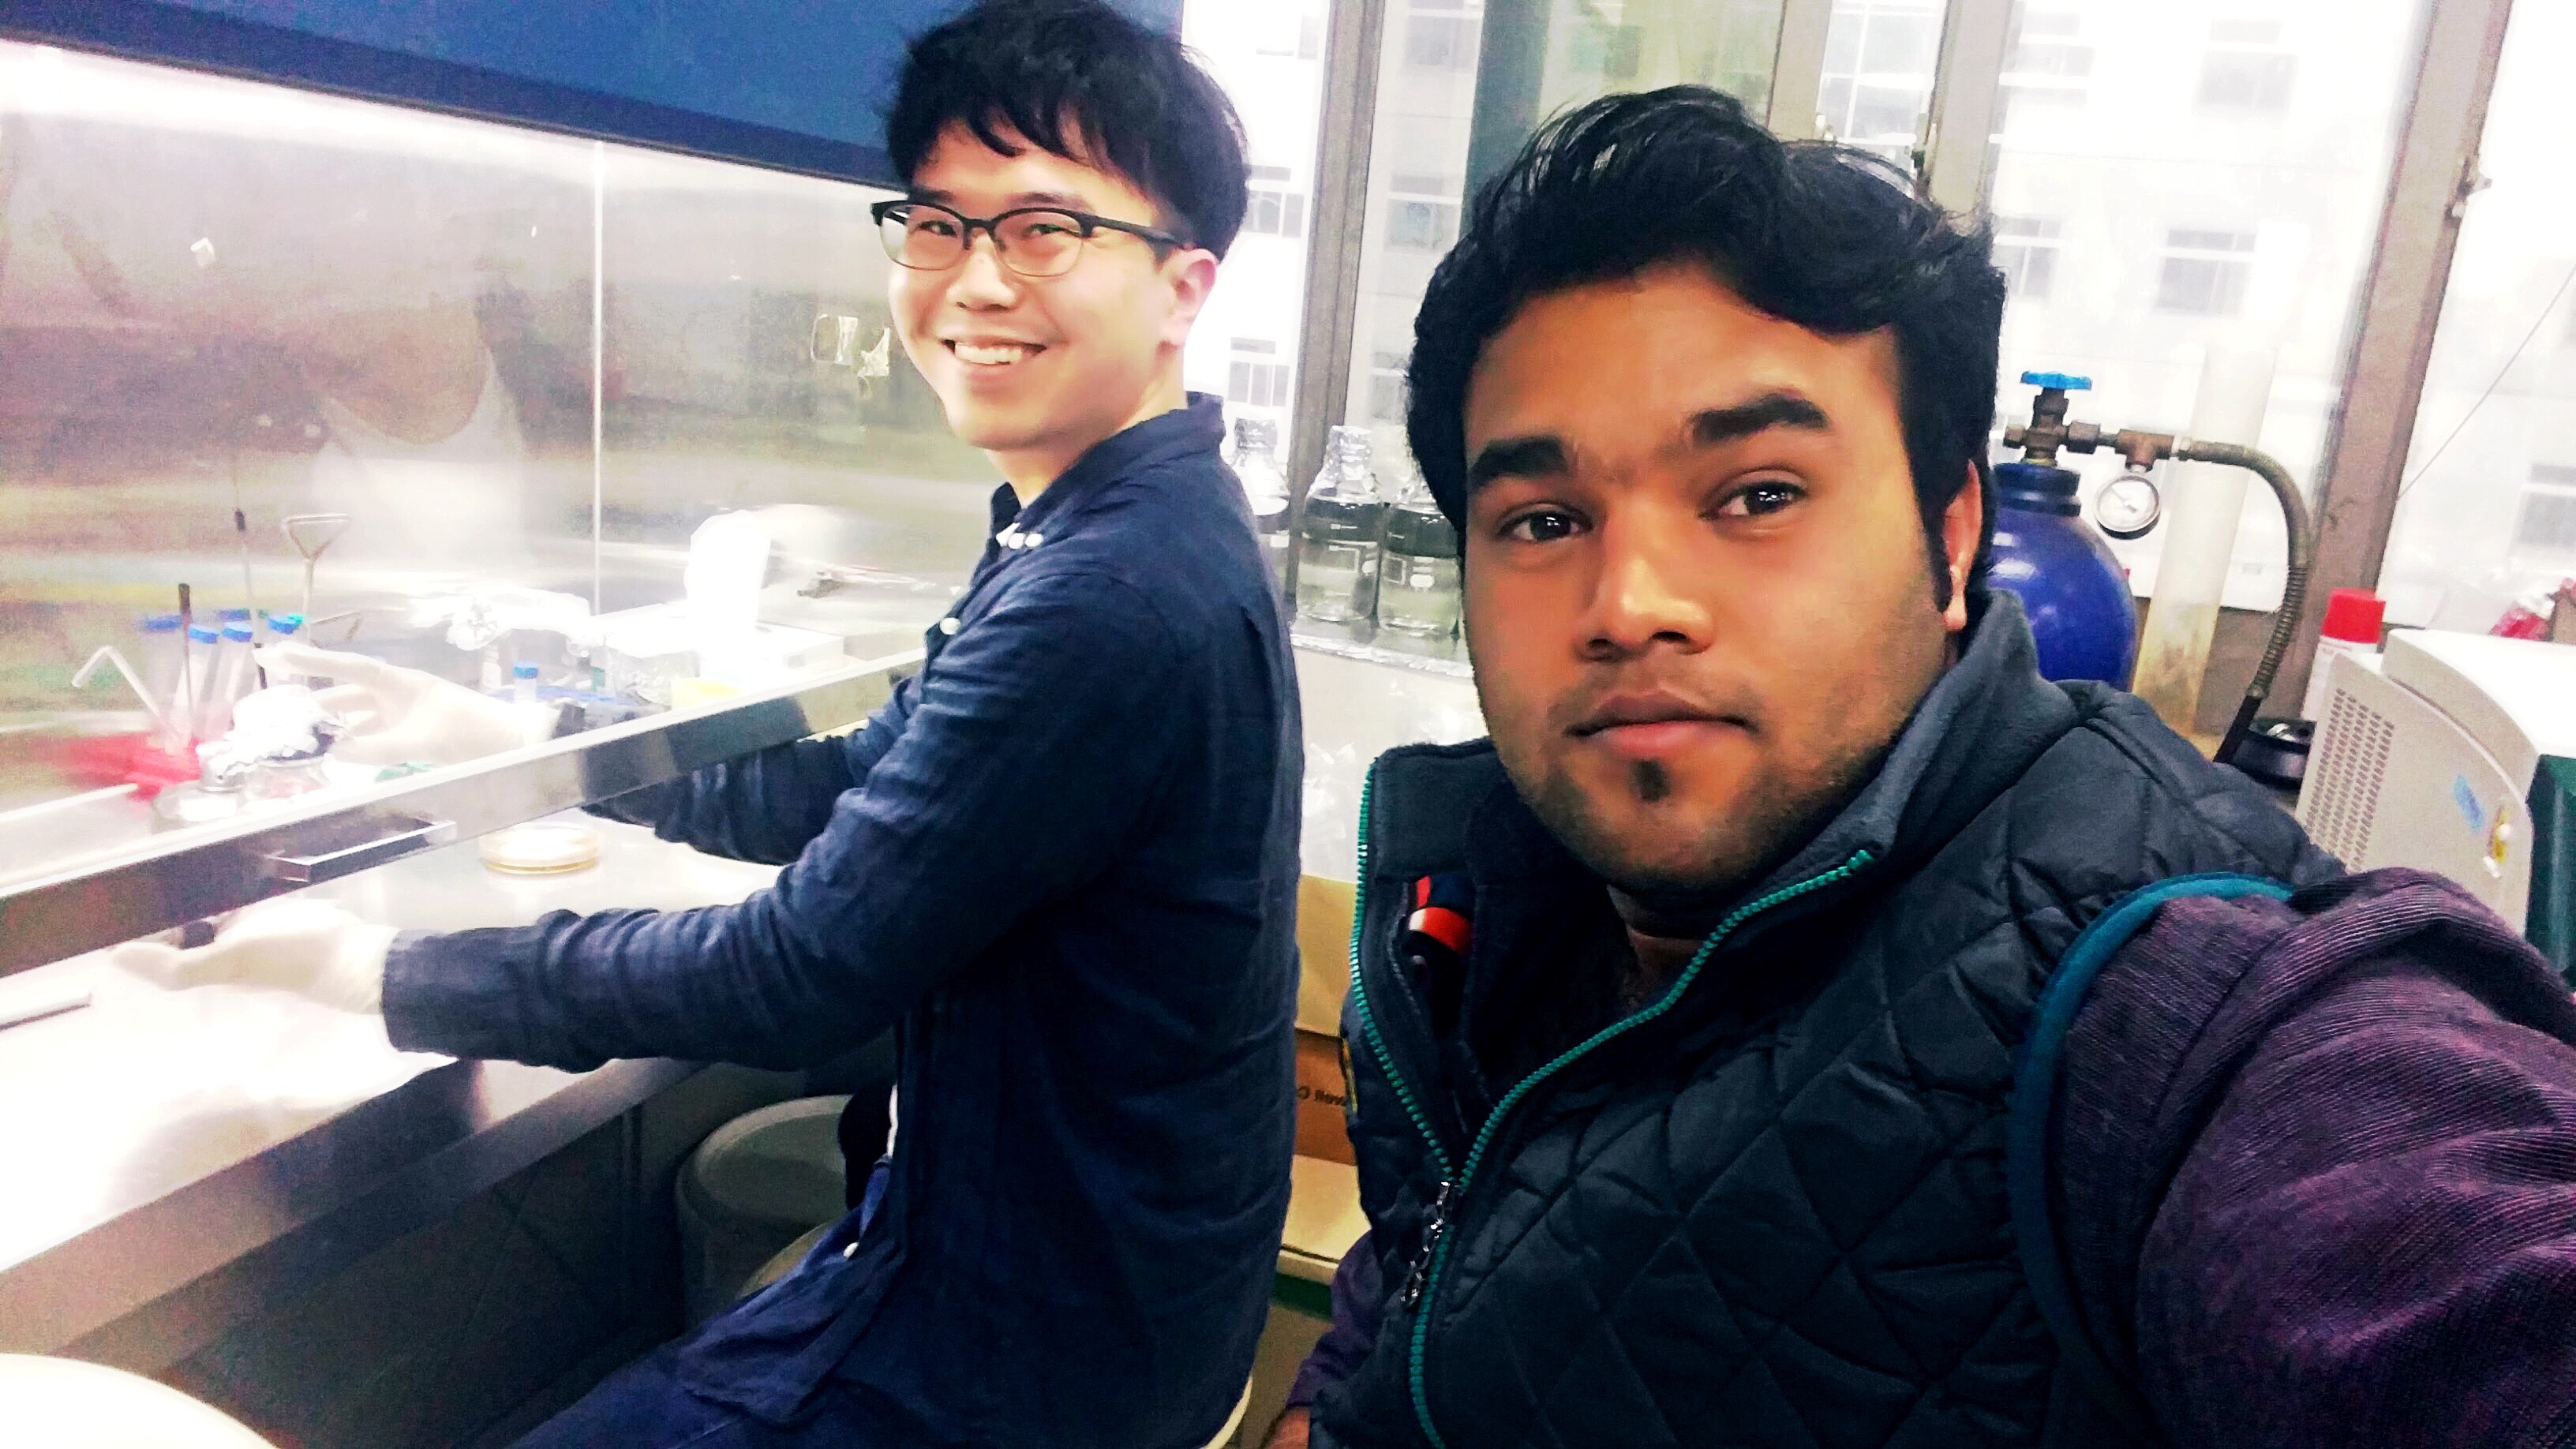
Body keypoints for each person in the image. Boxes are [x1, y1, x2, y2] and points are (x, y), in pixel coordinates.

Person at [1267, 87, 2576, 1449]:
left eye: (1759, 495)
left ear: (1953, 540)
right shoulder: (1491, 899)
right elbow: (1421, 1288)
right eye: (1544, 520)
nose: (1631, 602)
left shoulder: (2169, 1006)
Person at [118, 5, 1301, 1446]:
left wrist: (372, 970)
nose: (976, 278)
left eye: (1045, 229)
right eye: (938, 224)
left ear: (1183, 288)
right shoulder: (1108, 525)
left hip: (1029, 1352)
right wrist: (515, 734)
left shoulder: (1108, 594)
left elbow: (792, 973)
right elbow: (847, 784)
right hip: (1087, 1284)